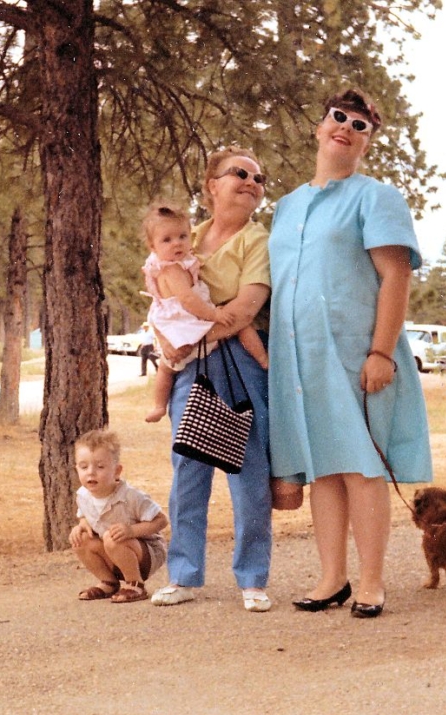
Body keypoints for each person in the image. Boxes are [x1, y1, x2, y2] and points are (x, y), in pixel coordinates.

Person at [267, 89, 434, 619]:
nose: (346, 127)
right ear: (319, 128)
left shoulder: (376, 198)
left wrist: (381, 351)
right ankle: (331, 577)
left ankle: (371, 581)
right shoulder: (287, 206)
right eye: (338, 117)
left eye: (359, 125)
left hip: (356, 354)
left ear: (366, 141)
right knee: (323, 468)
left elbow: (395, 275)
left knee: (362, 467)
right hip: (300, 360)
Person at [149, 147, 274, 612]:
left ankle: (253, 578)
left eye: (259, 179)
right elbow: (161, 296)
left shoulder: (256, 240)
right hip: (190, 367)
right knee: (188, 469)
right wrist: (166, 342)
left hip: (238, 363)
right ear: (211, 185)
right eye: (239, 173)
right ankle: (183, 575)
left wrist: (196, 336)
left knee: (248, 472)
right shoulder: (185, 236)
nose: (250, 182)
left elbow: (246, 306)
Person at [140, 200, 268, 422]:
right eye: (167, 240)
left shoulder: (185, 259)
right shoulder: (170, 270)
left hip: (191, 325)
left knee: (167, 368)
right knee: (166, 368)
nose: (177, 244)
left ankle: (158, 406)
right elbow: (189, 300)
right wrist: (214, 315)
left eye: (182, 236)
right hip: (187, 323)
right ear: (153, 247)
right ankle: (158, 405)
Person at [69, 428, 169, 603]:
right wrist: (82, 524)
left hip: (146, 553)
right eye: (84, 467)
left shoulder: (131, 496)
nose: (91, 472)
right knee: (81, 539)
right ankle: (108, 582)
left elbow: (161, 520)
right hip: (113, 551)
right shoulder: (83, 495)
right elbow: (84, 515)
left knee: (111, 537)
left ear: (117, 470)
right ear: (76, 468)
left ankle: (135, 584)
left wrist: (131, 530)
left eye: (100, 467)